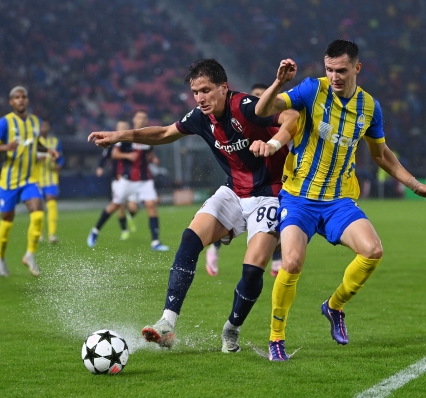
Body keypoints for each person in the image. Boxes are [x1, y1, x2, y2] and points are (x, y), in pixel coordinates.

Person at [89, 59, 300, 353]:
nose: (200, 98)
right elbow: (163, 133)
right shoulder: (200, 117)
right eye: (195, 92)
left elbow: (291, 116)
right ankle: (166, 323)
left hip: (270, 193)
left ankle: (232, 329)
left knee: (252, 270)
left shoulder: (246, 106)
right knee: (189, 239)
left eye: (206, 90)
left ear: (224, 88)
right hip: (233, 191)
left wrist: (274, 144)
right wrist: (117, 137)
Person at [254, 39, 426, 360]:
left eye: (341, 70)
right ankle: (276, 338)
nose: (334, 76)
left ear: (357, 68)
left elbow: (381, 155)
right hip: (299, 197)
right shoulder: (311, 89)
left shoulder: (370, 107)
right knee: (291, 262)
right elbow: (262, 112)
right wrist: (279, 83)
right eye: (329, 69)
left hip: (339, 201)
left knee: (372, 251)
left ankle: (334, 306)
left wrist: (416, 185)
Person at [205, 82, 284, 278]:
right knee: (227, 215)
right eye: (255, 96)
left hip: (273, 180)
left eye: (263, 96)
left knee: (276, 221)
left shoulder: (278, 122)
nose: (259, 101)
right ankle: (214, 248)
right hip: (243, 180)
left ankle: (275, 257)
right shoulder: (244, 118)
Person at [0, 86, 58, 277]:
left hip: (30, 178)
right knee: (7, 221)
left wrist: (48, 150)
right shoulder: (4, 123)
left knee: (38, 213)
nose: (20, 100)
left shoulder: (36, 122)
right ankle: (0, 258)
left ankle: (30, 254)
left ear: (27, 100)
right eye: (16, 98)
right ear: (11, 102)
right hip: (9, 181)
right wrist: (6, 146)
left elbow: (36, 143)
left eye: (23, 97)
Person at [87, 111, 169, 251]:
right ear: (134, 120)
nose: (142, 120)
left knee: (151, 206)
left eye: (144, 118)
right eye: (139, 117)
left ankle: (155, 242)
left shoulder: (148, 136)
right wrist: (128, 155)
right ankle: (95, 231)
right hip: (128, 179)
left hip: (145, 179)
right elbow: (114, 153)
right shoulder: (127, 136)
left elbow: (149, 153)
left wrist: (153, 159)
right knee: (114, 206)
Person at [95, 120, 139, 240]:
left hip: (130, 178)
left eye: (124, 127)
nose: (121, 129)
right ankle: (124, 230)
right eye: (119, 127)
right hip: (116, 178)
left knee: (133, 207)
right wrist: (100, 167)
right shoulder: (112, 142)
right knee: (120, 206)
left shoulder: (131, 143)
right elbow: (105, 156)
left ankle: (130, 216)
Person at [37, 120, 65, 244]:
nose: (44, 128)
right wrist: (37, 159)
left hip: (51, 177)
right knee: (39, 206)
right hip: (36, 178)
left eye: (46, 125)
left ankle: (52, 235)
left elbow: (61, 157)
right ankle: (39, 233)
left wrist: (59, 165)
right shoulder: (34, 141)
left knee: (51, 203)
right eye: (42, 125)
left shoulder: (55, 141)